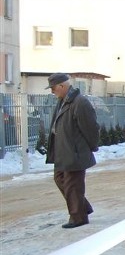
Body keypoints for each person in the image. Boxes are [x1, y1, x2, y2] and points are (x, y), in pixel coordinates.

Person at [45, 73, 99, 228]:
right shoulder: (63, 101)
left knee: (72, 185)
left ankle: (78, 217)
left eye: (53, 88)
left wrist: (90, 147)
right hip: (63, 150)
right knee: (59, 179)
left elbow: (91, 128)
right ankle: (82, 208)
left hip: (74, 152)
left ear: (62, 86)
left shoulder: (79, 102)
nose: (52, 92)